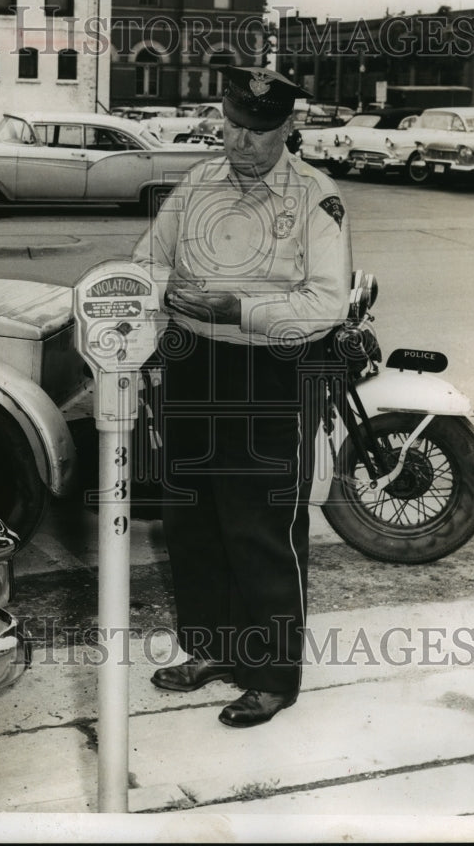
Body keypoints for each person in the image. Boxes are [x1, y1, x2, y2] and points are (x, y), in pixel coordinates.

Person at [132, 66, 353, 727]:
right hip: (190, 362)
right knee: (191, 517)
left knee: (259, 525)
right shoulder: (197, 185)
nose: (240, 143)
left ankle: (271, 673)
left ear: (288, 128)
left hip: (266, 371)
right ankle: (210, 649)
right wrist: (161, 294)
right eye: (231, 127)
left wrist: (239, 308)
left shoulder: (316, 196)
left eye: (257, 133)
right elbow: (146, 263)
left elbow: (326, 303)